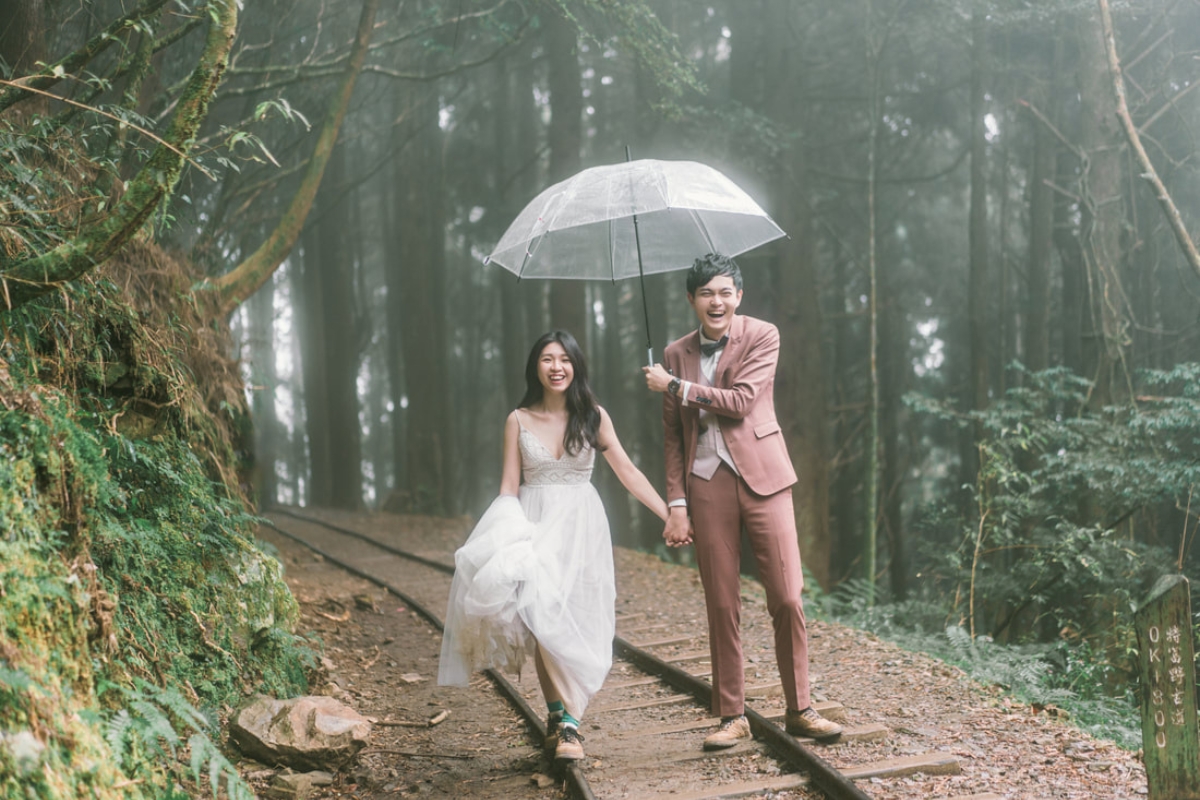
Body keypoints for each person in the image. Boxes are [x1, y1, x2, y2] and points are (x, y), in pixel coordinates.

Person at [642, 253, 843, 751]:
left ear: (739, 296)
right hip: (706, 483)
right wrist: (676, 501)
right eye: (707, 293)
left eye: (726, 291)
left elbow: (741, 401)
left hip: (765, 479)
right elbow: (671, 437)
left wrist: (675, 385)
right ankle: (732, 715)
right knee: (722, 602)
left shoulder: (763, 335)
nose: (717, 301)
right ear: (691, 299)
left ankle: (800, 708)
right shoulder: (673, 353)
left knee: (788, 596)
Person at [439, 330, 668, 762]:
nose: (556, 366)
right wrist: (505, 538)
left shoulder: (594, 417)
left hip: (582, 529)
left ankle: (564, 716)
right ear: (536, 367)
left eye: (564, 359)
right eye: (547, 359)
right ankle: (564, 722)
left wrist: (670, 513)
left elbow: (628, 472)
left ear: (576, 365)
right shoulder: (518, 419)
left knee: (577, 617)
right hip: (532, 523)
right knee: (540, 616)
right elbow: (509, 486)